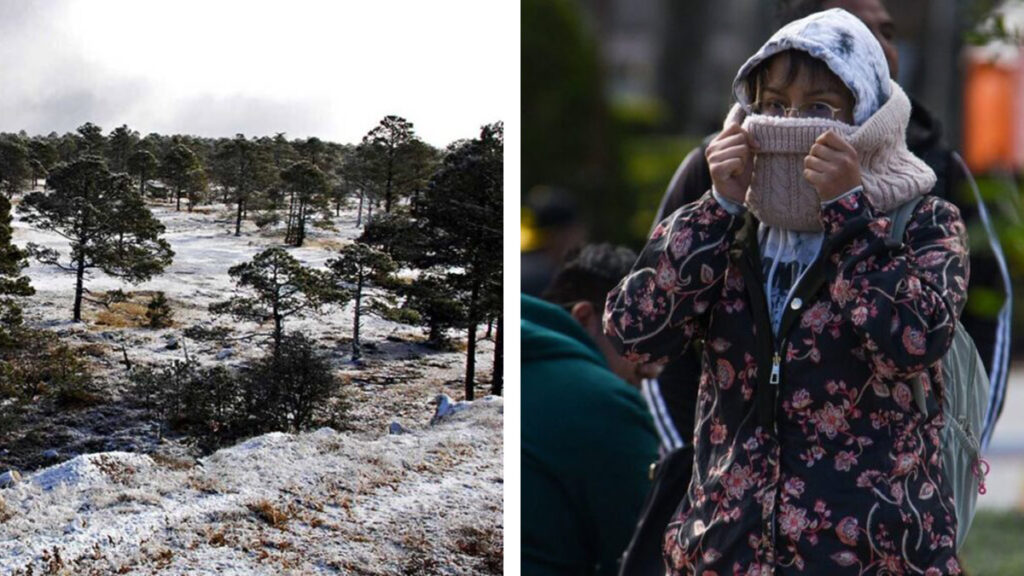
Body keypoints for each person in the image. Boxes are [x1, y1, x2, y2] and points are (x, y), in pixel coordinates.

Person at [605, 9, 967, 573]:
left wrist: (849, 214)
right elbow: (634, 334)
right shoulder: (729, 223)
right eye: (773, 105)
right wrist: (716, 208)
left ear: (867, 115)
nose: (791, 124)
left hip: (871, 554)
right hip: (726, 550)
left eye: (821, 109)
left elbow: (914, 342)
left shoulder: (923, 221)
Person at [648, 0, 1011, 466]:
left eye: (886, 32)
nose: (878, 47)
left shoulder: (933, 180)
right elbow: (642, 333)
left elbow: (956, 324)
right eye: (853, 32)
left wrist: (849, 214)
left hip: (875, 525)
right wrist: (690, 462)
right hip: (731, 523)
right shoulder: (725, 167)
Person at [522, 292, 659, 576]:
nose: (652, 368)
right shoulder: (608, 405)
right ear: (586, 318)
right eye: (648, 338)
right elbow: (644, 561)